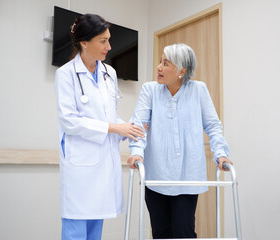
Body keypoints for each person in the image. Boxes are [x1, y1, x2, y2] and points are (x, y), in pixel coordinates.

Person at [127, 43, 233, 239]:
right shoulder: (149, 90)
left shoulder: (198, 90)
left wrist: (221, 153)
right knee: (160, 232)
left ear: (181, 71)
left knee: (183, 232)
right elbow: (139, 125)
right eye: (160, 61)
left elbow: (213, 125)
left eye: (166, 63)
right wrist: (136, 152)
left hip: (187, 175)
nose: (159, 67)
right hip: (156, 174)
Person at [55, 14, 144, 240]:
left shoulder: (109, 73)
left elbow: (109, 115)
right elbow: (70, 121)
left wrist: (130, 128)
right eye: (103, 41)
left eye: (109, 40)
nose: (109, 46)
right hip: (80, 168)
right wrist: (115, 128)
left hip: (103, 165)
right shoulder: (65, 74)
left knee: (95, 232)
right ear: (84, 42)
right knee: (76, 231)